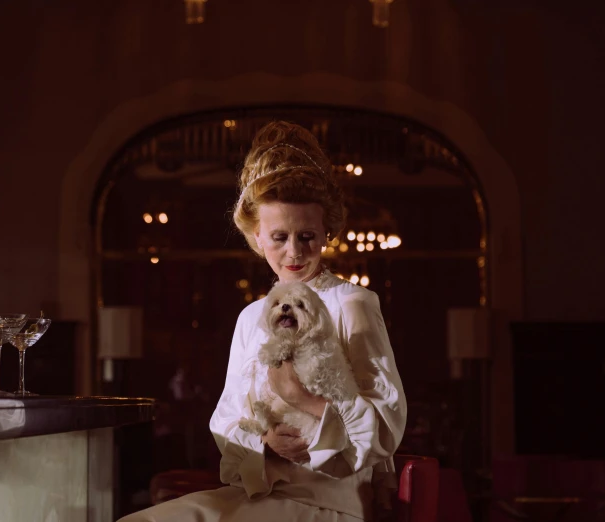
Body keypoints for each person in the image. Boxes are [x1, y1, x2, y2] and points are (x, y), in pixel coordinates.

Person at [119, 121, 407, 522]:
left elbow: (387, 424)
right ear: (257, 236)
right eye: (279, 237)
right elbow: (228, 419)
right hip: (256, 492)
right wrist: (265, 443)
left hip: (327, 501)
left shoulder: (353, 302)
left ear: (327, 232)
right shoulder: (251, 317)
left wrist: (303, 399)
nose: (294, 252)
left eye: (306, 236)